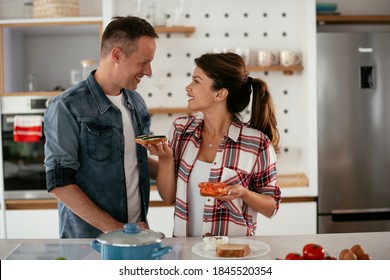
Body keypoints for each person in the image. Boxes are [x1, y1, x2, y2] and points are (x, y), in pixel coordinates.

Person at [43, 16, 159, 238]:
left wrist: (185, 172)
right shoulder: (67, 106)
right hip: (88, 243)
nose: (148, 72)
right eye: (143, 62)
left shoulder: (137, 103)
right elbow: (59, 183)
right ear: (117, 55)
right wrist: (118, 230)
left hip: (137, 236)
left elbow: (136, 160)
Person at [144, 52, 282, 237]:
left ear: (220, 94)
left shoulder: (257, 144)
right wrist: (166, 159)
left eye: (196, 81)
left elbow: (271, 207)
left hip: (233, 255)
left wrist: (243, 193)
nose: (188, 87)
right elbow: (168, 197)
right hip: (186, 254)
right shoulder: (181, 130)